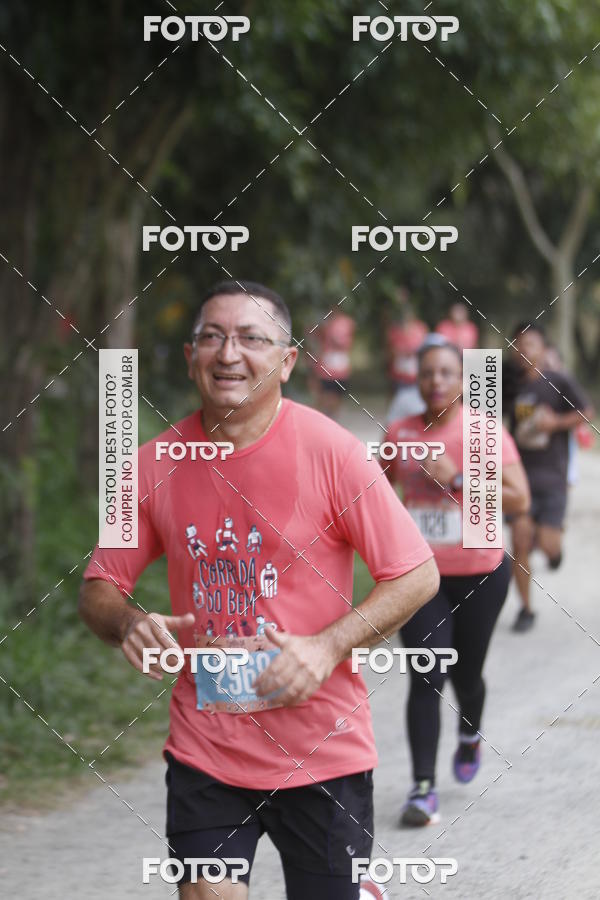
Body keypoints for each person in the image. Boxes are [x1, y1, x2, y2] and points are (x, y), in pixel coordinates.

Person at [78, 280, 439, 899]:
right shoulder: (149, 464)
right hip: (207, 747)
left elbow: (417, 573)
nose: (228, 353)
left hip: (322, 750)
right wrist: (129, 621)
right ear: (190, 355)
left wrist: (327, 647)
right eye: (212, 337)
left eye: (251, 338)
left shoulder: (333, 452)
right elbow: (98, 588)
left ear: (287, 361)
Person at [386, 340, 530, 826]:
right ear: (417, 379)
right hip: (420, 578)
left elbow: (519, 499)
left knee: (466, 676)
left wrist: (460, 480)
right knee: (427, 675)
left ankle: (470, 733)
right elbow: (375, 492)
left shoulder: (485, 431)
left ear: (465, 381)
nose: (436, 382)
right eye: (428, 373)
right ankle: (422, 788)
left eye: (447, 372)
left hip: (480, 574)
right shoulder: (401, 433)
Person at [507, 323, 594, 633]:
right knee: (520, 541)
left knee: (547, 544)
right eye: (518, 344)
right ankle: (526, 609)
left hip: (553, 477)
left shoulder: (558, 381)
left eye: (530, 344)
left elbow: (586, 412)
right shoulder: (507, 383)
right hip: (518, 479)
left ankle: (553, 550)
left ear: (543, 349)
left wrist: (555, 422)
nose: (524, 350)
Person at [385, 292, 428, 424]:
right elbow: (390, 350)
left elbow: (425, 348)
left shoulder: (420, 328)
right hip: (399, 373)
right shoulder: (395, 330)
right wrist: (400, 352)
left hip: (415, 374)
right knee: (398, 400)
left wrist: (414, 352)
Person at [308, 310, 355, 419]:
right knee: (324, 394)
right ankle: (320, 417)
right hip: (327, 365)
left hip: (339, 366)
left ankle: (331, 418)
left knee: (336, 394)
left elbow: (343, 341)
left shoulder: (346, 322)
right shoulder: (325, 322)